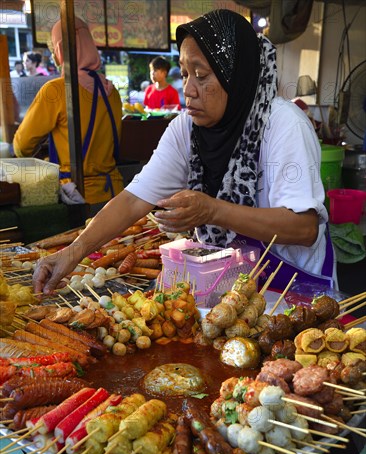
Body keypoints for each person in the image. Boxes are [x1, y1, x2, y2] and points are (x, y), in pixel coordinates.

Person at [33, 9, 334, 295]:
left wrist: (213, 210)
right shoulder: (186, 128)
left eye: (201, 76)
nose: (188, 89)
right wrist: (71, 252)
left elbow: (304, 228)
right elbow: (134, 199)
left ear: (235, 77)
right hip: (232, 285)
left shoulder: (283, 125)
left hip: (294, 287)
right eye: (185, 73)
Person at [13, 18, 123, 212]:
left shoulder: (56, 90)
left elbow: (22, 146)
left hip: (78, 197)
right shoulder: (111, 91)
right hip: (115, 192)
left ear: (60, 50)